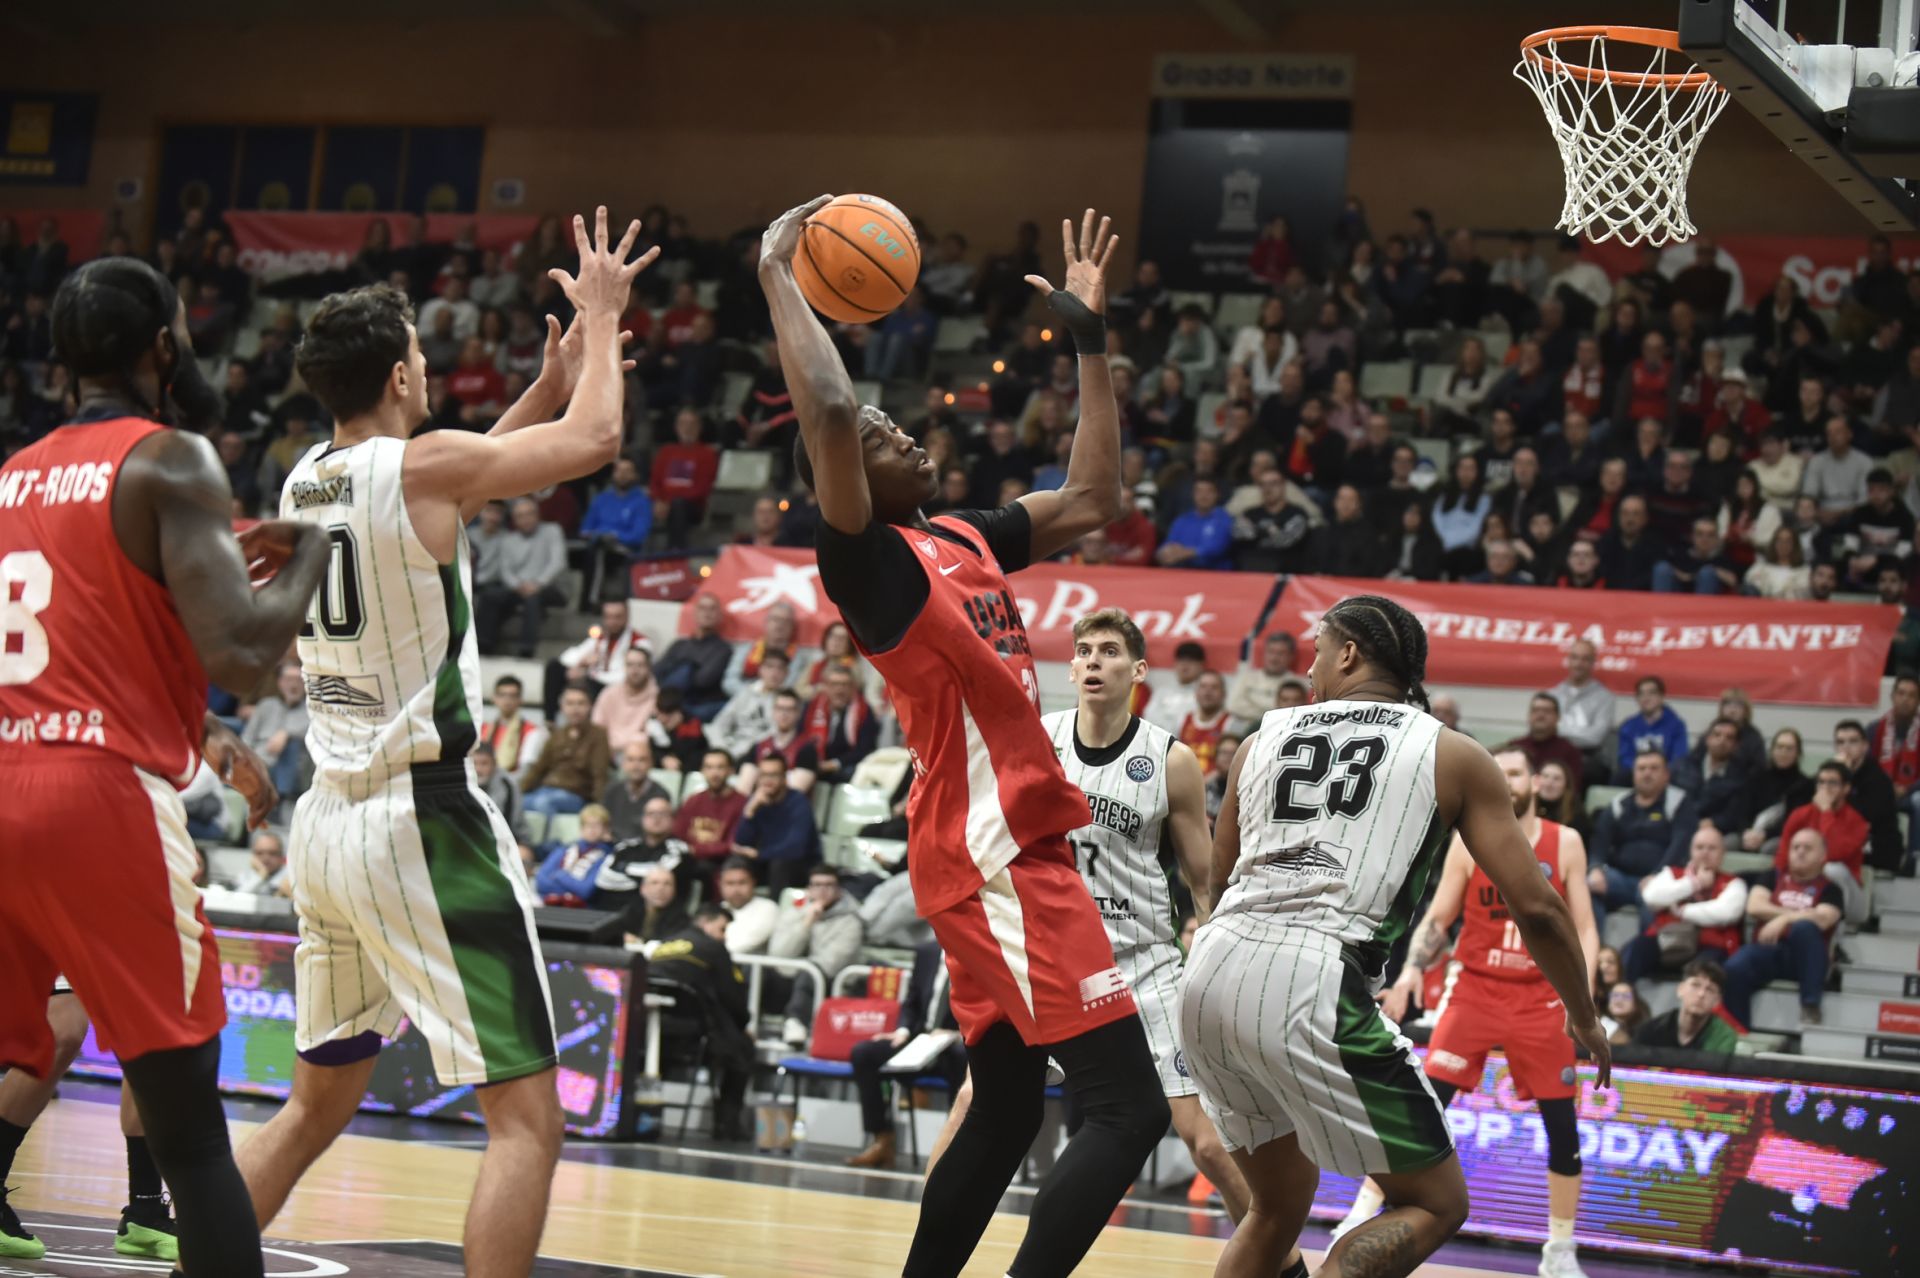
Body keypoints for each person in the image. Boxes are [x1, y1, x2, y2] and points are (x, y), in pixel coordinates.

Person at [234, 209, 652, 1277]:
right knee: (526, 1118)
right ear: (402, 377)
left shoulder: (304, 481)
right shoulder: (418, 471)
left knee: (316, 1102)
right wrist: (601, 324)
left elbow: (461, 476)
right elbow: (595, 445)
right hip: (421, 819)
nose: (428, 369)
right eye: (420, 355)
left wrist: (545, 387)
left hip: (325, 827)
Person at [764, 199, 1168, 1278]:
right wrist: (778, 274)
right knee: (1127, 1107)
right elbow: (837, 418)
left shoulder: (961, 537)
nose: (906, 435)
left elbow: (1096, 495)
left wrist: (1089, 342)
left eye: (910, 428)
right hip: (992, 849)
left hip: (987, 848)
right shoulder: (868, 562)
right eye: (889, 437)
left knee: (998, 1107)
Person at [1, 255, 328, 1275]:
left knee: (26, 1052)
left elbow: (100, 597)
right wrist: (313, 550)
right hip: (96, 792)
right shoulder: (169, 456)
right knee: (191, 1125)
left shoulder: (10, 475)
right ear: (163, 347)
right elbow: (243, 653)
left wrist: (223, 546)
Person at [1181, 595, 1609, 1278]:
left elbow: (1214, 876)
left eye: (1319, 646)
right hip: (1314, 973)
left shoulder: (1263, 737)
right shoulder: (1454, 752)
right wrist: (1584, 1015)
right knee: (1436, 1202)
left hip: (1210, 969)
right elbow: (1541, 909)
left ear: (1349, 653)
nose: (1312, 661)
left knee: (1273, 1210)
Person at [1038, 608, 1251, 1222]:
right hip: (1056, 964)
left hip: (1144, 964)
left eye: (1108, 651)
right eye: (1084, 650)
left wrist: (1216, 956)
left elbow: (1204, 877)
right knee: (981, 1100)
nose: (1093, 661)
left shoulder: (1170, 759)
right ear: (1072, 666)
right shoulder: (1039, 740)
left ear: (1138, 670)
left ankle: (1282, 1259)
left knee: (1205, 1139)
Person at [1353, 749, 1599, 1278]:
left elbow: (1584, 928)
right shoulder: (1468, 843)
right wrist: (1413, 969)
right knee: (1422, 1107)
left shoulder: (1568, 842)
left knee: (1563, 1126)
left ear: (1535, 781)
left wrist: (1586, 999)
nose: (1507, 781)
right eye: (1500, 773)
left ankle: (1559, 1250)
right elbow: (1438, 918)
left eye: (1515, 773)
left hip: (1541, 998)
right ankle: (1360, 1211)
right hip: (1476, 991)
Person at [846, 940, 970, 1169]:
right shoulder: (927, 951)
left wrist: (958, 1033)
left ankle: (955, 1149)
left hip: (958, 1041)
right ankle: (882, 1140)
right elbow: (912, 1000)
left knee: (962, 1057)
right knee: (864, 1053)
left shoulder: (980, 951)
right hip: (920, 1039)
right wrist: (902, 1031)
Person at [647, 903, 755, 1138]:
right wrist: (744, 1025)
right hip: (695, 1038)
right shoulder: (714, 949)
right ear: (706, 923)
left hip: (653, 1038)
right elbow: (733, 999)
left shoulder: (663, 946)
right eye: (722, 929)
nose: (724, 936)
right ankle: (728, 1126)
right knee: (744, 1049)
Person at [1723, 829, 1845, 1027]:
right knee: (1734, 967)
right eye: (1795, 847)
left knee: (1804, 928)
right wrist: (1796, 914)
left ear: (1823, 856)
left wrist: (1784, 920)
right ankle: (1737, 1032)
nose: (1800, 852)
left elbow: (1823, 919)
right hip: (1768, 951)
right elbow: (1754, 906)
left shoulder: (1831, 889)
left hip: (1806, 959)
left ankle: (1810, 1004)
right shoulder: (1772, 877)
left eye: (1807, 848)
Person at [1623, 826, 1747, 982]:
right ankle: (1619, 999)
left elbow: (1727, 913)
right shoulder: (1672, 874)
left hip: (1710, 948)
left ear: (1722, 854)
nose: (1705, 853)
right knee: (1636, 948)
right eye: (1699, 847)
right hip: (1668, 941)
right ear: (1691, 851)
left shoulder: (1734, 883)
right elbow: (1651, 897)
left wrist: (1682, 911)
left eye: (1712, 848)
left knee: (1704, 968)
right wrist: (1693, 884)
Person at [1587, 750, 1696, 912]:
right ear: (1634, 774)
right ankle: (1589, 938)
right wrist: (1595, 868)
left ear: (1666, 774)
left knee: (1656, 895)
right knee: (1587, 886)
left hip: (1660, 878)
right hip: (1620, 877)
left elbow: (1680, 845)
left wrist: (1658, 875)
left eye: (1654, 768)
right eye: (1642, 768)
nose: (1647, 773)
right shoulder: (1619, 804)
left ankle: (1646, 938)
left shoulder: (1679, 802)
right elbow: (1599, 842)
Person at [769, 865, 866, 1045]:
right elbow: (778, 954)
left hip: (831, 984)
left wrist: (801, 967)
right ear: (808, 888)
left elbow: (831, 964)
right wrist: (806, 923)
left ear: (839, 890)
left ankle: (796, 1022)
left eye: (828, 885)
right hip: (794, 978)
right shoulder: (795, 912)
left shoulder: (852, 920)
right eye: (817, 885)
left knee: (809, 972)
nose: (822, 890)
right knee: (759, 972)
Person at [1775, 762, 1871, 923]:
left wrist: (1826, 812)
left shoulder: (1856, 821)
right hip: (1803, 888)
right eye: (1821, 782)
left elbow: (1832, 853)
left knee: (1832, 869)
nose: (1825, 788)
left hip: (1848, 898)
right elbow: (1783, 855)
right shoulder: (1800, 814)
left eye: (1832, 783)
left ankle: (1833, 939)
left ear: (1846, 788)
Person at [731, 752, 821, 894]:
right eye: (763, 775)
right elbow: (741, 842)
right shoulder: (756, 800)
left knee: (781, 863)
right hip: (767, 861)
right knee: (736, 863)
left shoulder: (799, 802)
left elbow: (795, 848)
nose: (767, 781)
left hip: (800, 866)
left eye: (773, 775)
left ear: (784, 778)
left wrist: (759, 854)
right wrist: (749, 811)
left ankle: (776, 911)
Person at [521, 685, 614, 819]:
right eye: (570, 703)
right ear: (563, 707)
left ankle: (547, 841)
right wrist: (518, 791)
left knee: (544, 803)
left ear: (589, 706)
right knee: (516, 802)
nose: (575, 709)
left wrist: (597, 808)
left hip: (576, 795)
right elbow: (539, 768)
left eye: (580, 703)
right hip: (546, 789)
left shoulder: (598, 735)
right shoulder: (557, 734)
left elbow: (599, 774)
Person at [576, 453, 652, 604]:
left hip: (625, 549)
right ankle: (589, 599)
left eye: (627, 471)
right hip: (598, 544)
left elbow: (638, 535)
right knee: (594, 549)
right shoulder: (602, 498)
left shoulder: (641, 502)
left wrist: (615, 535)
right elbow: (585, 529)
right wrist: (598, 535)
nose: (622, 475)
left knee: (599, 551)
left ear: (635, 475)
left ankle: (591, 600)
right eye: (619, 470)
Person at [1869, 673, 1920, 868]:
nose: (1905, 699)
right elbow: (1866, 767)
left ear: (1918, 701)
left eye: (1911, 695)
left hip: (1911, 793)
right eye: (1901, 693)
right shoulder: (1875, 729)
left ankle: (1914, 859)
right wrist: (1886, 786)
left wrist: (1908, 788)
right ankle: (1877, 859)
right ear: (1892, 696)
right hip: (1881, 792)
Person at [534, 803, 630, 907]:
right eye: (588, 825)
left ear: (605, 829)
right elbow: (540, 881)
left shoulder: (606, 856)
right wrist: (568, 893)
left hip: (582, 912)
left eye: (597, 825)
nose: (591, 830)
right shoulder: (564, 849)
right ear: (581, 827)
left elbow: (585, 890)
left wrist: (560, 875)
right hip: (550, 905)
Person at [655, 592, 732, 720]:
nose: (707, 613)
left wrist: (684, 666)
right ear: (695, 613)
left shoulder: (723, 649)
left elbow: (703, 681)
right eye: (702, 608)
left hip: (699, 706)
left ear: (719, 615)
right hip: (668, 701)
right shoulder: (679, 644)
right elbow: (657, 673)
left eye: (712, 609)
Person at [1632, 960, 1740, 1051]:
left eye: (1710, 990)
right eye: (1695, 985)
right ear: (1680, 989)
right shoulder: (1650, 1031)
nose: (1701, 994)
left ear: (1717, 1001)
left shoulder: (1724, 1037)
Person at [1672, 716, 1755, 834]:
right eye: (1717, 735)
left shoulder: (1740, 778)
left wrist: (1713, 822)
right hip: (1677, 824)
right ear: (1708, 738)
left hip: (1712, 831)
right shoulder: (1683, 766)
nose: (1722, 741)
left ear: (1736, 745)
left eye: (1729, 738)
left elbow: (1733, 815)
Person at [1549, 639, 1615, 785]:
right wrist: (1580, 732)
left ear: (1593, 663)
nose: (1578, 664)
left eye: (1585, 659)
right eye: (1574, 657)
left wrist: (1558, 730)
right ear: (1568, 660)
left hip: (1585, 758)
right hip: (1553, 754)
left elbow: (1595, 738)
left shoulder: (1605, 698)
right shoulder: (1552, 695)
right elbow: (1544, 730)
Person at [676, 748, 749, 872]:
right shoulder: (693, 800)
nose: (714, 774)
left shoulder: (741, 803)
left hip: (721, 863)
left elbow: (733, 845)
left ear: (731, 770)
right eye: (709, 767)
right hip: (690, 859)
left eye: (720, 767)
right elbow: (678, 833)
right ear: (702, 770)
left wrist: (695, 850)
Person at [1498, 692, 1585, 794]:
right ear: (1529, 716)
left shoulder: (1570, 752)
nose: (1540, 715)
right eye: (1535, 710)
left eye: (1547, 711)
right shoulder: (1514, 747)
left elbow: (1572, 792)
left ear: (1558, 717)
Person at [479, 673, 547, 784]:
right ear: (494, 698)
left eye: (512, 696)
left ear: (520, 700)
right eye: (502, 695)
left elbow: (525, 770)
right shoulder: (483, 728)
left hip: (510, 784)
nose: (507, 700)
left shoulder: (532, 731)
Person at [591, 645, 659, 754]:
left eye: (640, 665)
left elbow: (654, 735)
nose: (635, 670)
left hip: (639, 754)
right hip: (608, 751)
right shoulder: (609, 693)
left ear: (649, 667)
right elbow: (597, 726)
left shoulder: (657, 697)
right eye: (630, 665)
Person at [1616, 675, 1688, 777]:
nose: (1646, 698)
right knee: (1620, 776)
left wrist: (1658, 771)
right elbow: (1624, 758)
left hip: (1666, 775)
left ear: (1662, 697)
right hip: (1636, 774)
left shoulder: (1676, 725)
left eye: (1651, 693)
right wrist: (1642, 770)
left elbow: (1679, 758)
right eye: (1641, 694)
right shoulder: (1628, 726)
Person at [601, 740, 670, 841]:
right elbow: (603, 823)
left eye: (641, 760)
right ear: (623, 764)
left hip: (645, 851)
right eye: (630, 760)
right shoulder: (612, 791)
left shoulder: (661, 795)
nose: (635, 766)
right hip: (614, 847)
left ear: (651, 763)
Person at [1227, 630, 1298, 725]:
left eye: (1281, 653)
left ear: (1291, 656)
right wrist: (1270, 713)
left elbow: (1289, 714)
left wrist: (1252, 704)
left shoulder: (1296, 684)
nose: (1274, 658)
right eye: (1271, 651)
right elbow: (1233, 705)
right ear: (1264, 653)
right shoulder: (1246, 677)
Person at [234, 829, 290, 897]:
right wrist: (260, 876)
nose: (265, 858)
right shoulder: (244, 876)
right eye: (259, 853)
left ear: (282, 856)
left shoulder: (290, 878)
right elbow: (237, 899)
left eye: (272, 853)